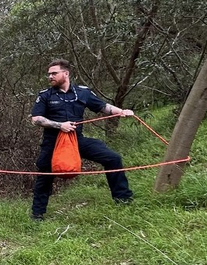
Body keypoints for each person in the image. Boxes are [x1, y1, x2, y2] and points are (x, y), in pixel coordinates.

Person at [30, 59, 135, 221]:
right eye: (49, 74)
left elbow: (103, 107)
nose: (50, 76)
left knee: (113, 158)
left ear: (66, 73)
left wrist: (122, 111)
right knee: (45, 176)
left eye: (54, 73)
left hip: (76, 140)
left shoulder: (82, 92)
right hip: (53, 143)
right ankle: (37, 215)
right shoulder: (45, 95)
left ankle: (123, 200)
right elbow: (36, 119)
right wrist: (60, 125)